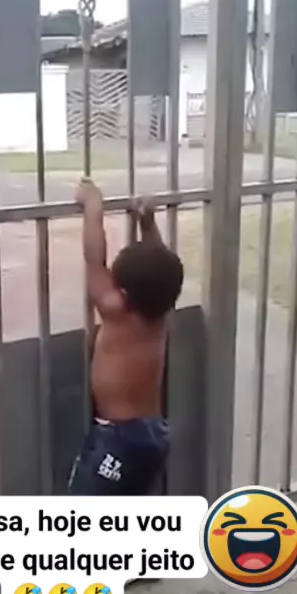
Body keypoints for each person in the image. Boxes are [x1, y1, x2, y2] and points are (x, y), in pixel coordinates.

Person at [68, 177, 184, 496]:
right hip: (154, 435)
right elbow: (158, 267)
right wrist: (147, 222)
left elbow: (94, 260)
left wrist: (93, 205)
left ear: (123, 292)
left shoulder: (116, 311)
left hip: (117, 441)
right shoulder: (161, 312)